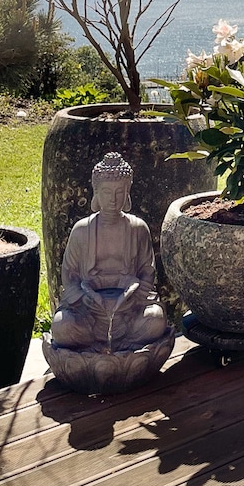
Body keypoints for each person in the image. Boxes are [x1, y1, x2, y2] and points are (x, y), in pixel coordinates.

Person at [49, 151, 169, 354]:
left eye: (119, 192)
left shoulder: (138, 228)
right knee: (62, 327)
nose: (113, 199)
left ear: (127, 192)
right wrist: (82, 299)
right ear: (96, 192)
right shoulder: (82, 230)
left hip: (129, 311)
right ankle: (125, 354)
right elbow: (69, 276)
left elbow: (147, 273)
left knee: (156, 320)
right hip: (89, 313)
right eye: (106, 192)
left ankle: (102, 353)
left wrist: (133, 299)